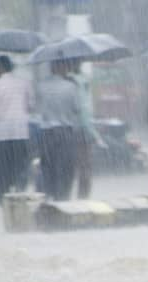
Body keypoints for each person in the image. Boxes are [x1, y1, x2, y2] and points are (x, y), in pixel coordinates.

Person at [35, 59, 84, 201]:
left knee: (48, 168)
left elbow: (37, 108)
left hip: (46, 134)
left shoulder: (41, 86)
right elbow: (77, 109)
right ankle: (62, 199)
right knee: (66, 168)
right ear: (62, 67)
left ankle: (49, 197)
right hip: (65, 132)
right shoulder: (71, 87)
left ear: (51, 68)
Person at [0, 55, 33, 203]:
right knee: (20, 167)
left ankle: (4, 199)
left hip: (1, 134)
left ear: (0, 67)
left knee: (2, 170)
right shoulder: (24, 83)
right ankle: (20, 197)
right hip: (21, 132)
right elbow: (30, 106)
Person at [68, 58, 104, 199]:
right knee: (85, 167)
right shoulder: (80, 82)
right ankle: (83, 197)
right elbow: (84, 111)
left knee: (74, 167)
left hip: (70, 130)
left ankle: (66, 196)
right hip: (81, 131)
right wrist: (94, 134)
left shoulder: (72, 80)